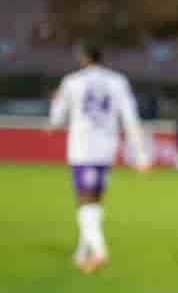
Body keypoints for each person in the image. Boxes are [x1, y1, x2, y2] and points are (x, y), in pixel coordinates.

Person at [48, 44, 149, 272]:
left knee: (84, 200)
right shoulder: (118, 81)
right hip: (106, 148)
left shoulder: (72, 81)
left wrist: (54, 104)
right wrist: (140, 154)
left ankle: (99, 250)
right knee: (96, 200)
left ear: (84, 58)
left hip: (83, 148)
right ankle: (83, 252)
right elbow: (130, 118)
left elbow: (56, 119)